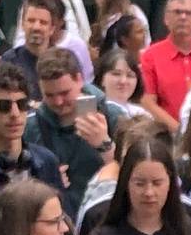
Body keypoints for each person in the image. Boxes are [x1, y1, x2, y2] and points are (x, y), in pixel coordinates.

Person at [32, 48, 127, 219]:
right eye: (50, 95)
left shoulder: (114, 116)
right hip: (56, 220)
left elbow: (135, 172)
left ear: (79, 79)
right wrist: (45, 179)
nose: (58, 102)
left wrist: (105, 146)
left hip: (106, 215)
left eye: (64, 93)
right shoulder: (32, 125)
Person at [76, 134, 191, 235]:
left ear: (170, 183)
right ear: (126, 183)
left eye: (157, 183)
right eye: (139, 184)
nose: (149, 192)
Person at [0, 62, 69, 196]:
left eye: (22, 104)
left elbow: (63, 215)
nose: (15, 113)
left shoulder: (47, 161)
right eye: (3, 106)